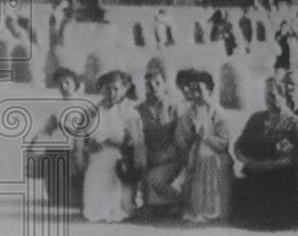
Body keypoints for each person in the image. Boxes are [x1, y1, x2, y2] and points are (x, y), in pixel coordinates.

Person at [233, 77, 298, 228]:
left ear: (284, 96)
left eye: (273, 95)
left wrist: (271, 164)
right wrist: (248, 161)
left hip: (282, 172)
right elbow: (239, 144)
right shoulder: (256, 118)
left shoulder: (294, 122)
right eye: (266, 95)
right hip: (254, 168)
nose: (269, 99)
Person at [82, 70, 145, 223]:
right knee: (93, 197)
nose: (111, 93)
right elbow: (84, 138)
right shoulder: (93, 112)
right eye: (107, 89)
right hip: (97, 158)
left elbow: (136, 143)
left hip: (119, 158)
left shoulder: (130, 113)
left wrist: (111, 142)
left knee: (117, 196)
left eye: (116, 89)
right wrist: (90, 144)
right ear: (101, 89)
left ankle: (119, 206)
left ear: (123, 89)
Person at [24, 67, 88, 210]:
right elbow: (45, 129)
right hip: (54, 150)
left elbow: (83, 131)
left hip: (73, 150)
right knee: (55, 196)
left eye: (67, 83)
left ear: (75, 84)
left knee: (71, 193)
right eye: (60, 84)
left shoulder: (83, 107)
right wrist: (33, 145)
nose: (63, 87)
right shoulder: (56, 107)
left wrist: (61, 125)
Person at [176, 70, 233, 223]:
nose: (196, 94)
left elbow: (223, 141)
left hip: (215, 158)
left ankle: (215, 212)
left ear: (209, 90)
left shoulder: (217, 112)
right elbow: (182, 138)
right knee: (197, 187)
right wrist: (190, 136)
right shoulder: (189, 113)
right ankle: (198, 210)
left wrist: (205, 137)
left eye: (200, 90)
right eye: (193, 90)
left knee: (213, 187)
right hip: (197, 156)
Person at [136, 60, 183, 218]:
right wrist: (147, 155)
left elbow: (178, 137)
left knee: (155, 179)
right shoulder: (139, 110)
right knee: (142, 166)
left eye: (157, 83)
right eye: (148, 84)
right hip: (147, 156)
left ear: (164, 85)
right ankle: (148, 205)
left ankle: (181, 201)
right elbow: (137, 136)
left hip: (170, 157)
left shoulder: (173, 108)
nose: (153, 87)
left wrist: (165, 155)